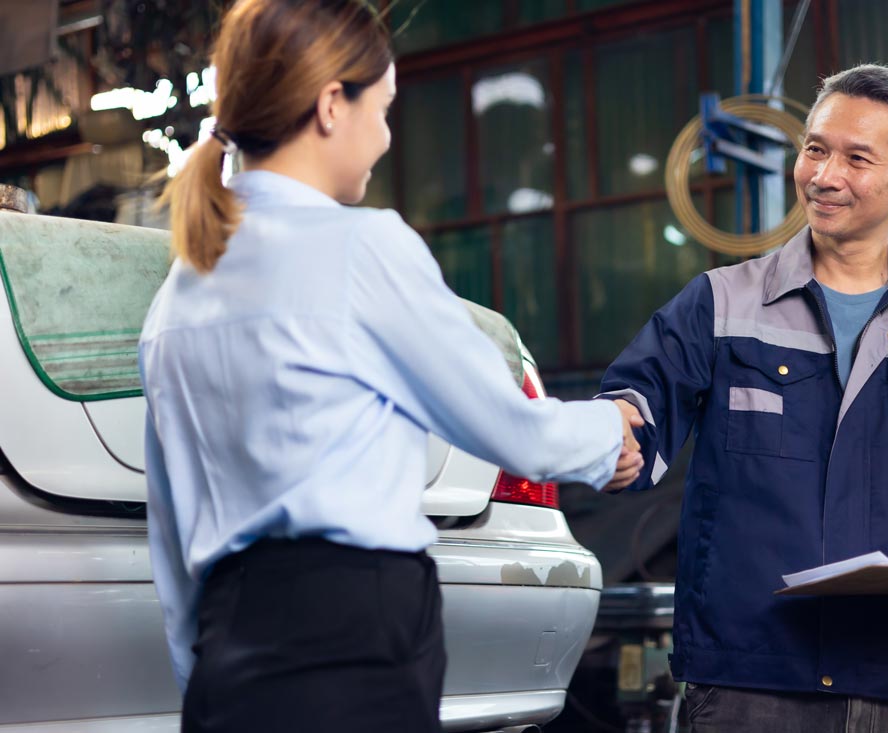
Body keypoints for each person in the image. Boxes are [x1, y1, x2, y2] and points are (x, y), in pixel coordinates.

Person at [139, 1, 643, 731]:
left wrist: (210, 676)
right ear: (330, 105)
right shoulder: (360, 248)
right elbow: (509, 426)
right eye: (384, 107)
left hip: (226, 665)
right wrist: (609, 430)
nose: (385, 137)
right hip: (356, 649)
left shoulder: (177, 295)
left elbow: (171, 541)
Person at [600, 63, 888, 732]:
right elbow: (638, 407)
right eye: (815, 148)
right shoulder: (722, 305)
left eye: (855, 158)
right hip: (752, 679)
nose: (823, 175)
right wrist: (613, 430)